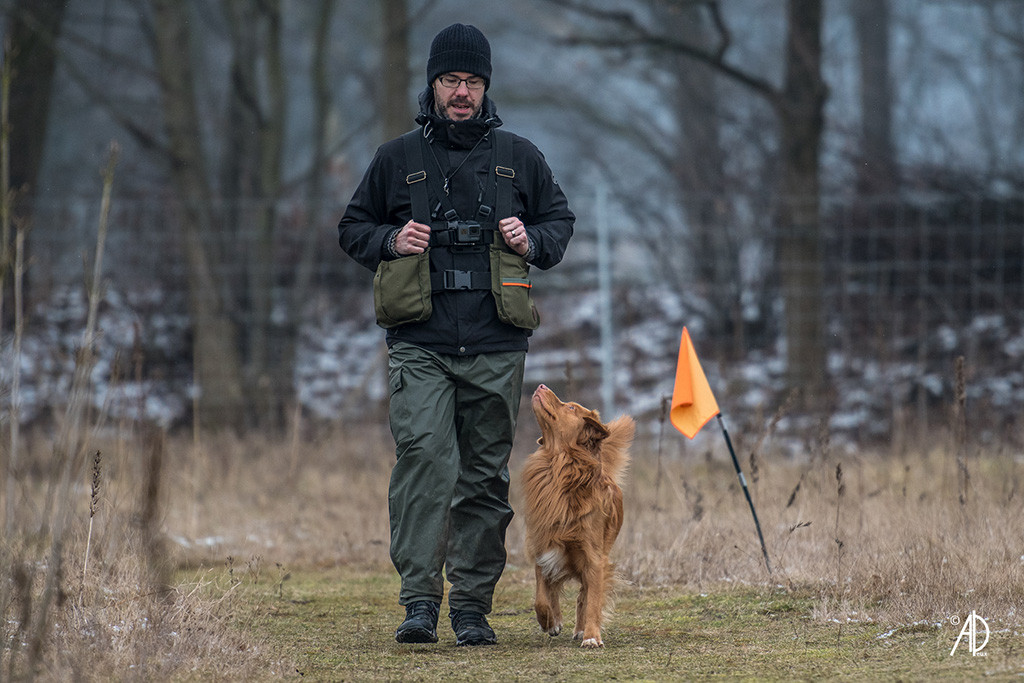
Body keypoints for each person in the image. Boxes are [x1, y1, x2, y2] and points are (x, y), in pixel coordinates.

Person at [337, 23, 574, 646]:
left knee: (483, 476)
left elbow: (559, 221)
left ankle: (471, 607)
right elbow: (352, 226)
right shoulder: (397, 159)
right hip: (420, 341)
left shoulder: (519, 156)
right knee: (424, 461)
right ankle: (419, 603)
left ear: (486, 86)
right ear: (433, 85)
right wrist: (390, 240)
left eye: (471, 81)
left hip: (496, 342)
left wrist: (533, 239)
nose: (461, 91)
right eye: (450, 80)